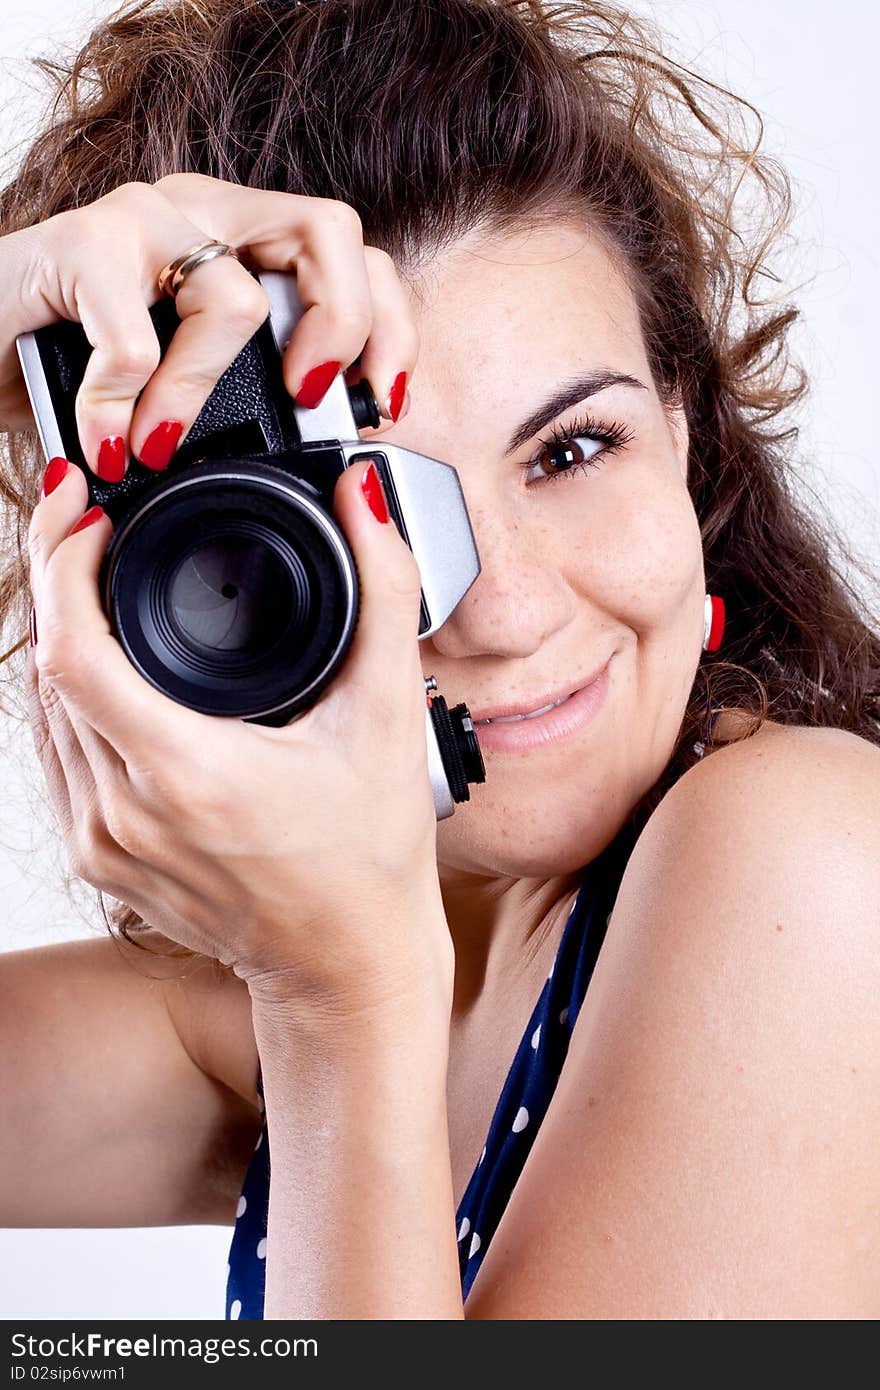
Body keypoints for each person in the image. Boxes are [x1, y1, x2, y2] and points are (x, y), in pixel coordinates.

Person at [0, 0, 878, 1321]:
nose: (506, 612)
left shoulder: (805, 854)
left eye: (573, 450)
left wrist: (333, 1000)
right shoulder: (352, 968)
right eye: (380, 513)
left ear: (684, 432)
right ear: (203, 573)